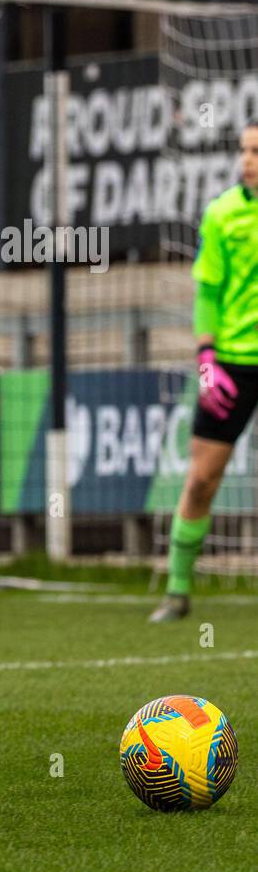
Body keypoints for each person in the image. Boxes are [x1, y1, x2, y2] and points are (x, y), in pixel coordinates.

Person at [151, 123, 258, 622]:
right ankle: (176, 591)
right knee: (202, 480)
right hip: (233, 362)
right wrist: (208, 363)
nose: (248, 160)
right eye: (244, 150)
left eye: (256, 151)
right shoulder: (222, 213)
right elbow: (208, 294)